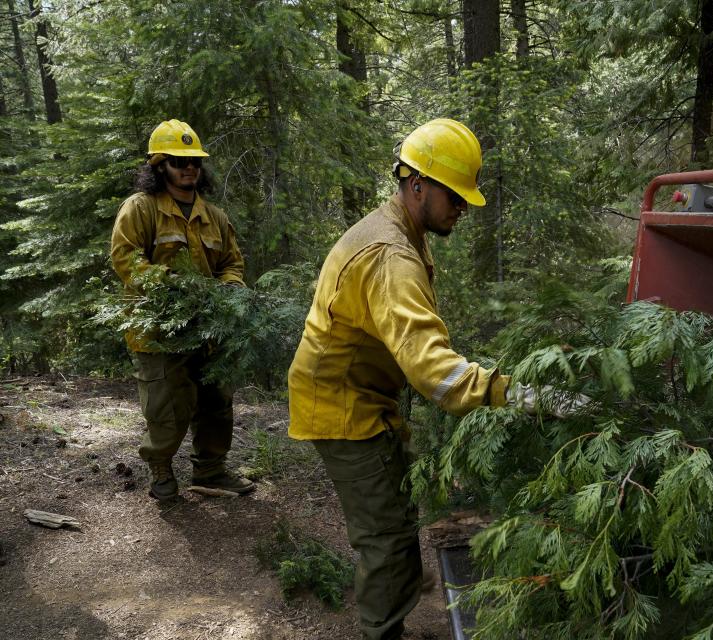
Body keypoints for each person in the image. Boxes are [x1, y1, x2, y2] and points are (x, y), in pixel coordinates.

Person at [287, 118, 513, 640]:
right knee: (384, 535)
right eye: (455, 197)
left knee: (396, 499)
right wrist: (510, 391)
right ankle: (383, 625)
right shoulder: (392, 255)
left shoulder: (404, 230)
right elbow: (434, 372)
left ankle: (403, 581)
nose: (462, 208)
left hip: (365, 392)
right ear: (417, 185)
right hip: (341, 403)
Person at [110, 119, 255, 501]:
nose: (188, 167)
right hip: (157, 331)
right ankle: (160, 470)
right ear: (159, 165)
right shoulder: (140, 209)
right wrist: (171, 288)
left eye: (194, 161)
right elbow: (125, 258)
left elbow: (232, 264)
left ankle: (210, 471)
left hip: (208, 329)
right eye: (178, 160)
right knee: (167, 408)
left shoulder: (215, 216)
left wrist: (228, 292)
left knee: (216, 402)